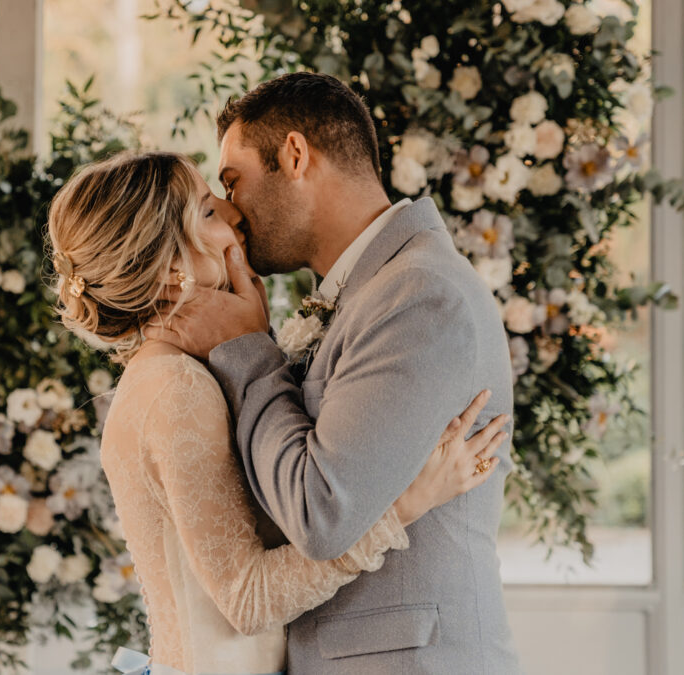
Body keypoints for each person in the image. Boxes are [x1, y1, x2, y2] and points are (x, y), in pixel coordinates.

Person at [45, 150, 509, 675]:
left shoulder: (184, 371)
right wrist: (405, 504)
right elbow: (249, 600)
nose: (232, 212)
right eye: (207, 211)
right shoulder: (175, 386)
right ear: (174, 268)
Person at [145, 73, 523, 674]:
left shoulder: (419, 294)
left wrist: (248, 347)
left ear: (295, 156)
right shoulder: (367, 291)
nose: (232, 210)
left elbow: (320, 513)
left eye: (233, 181)